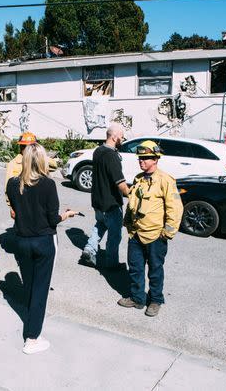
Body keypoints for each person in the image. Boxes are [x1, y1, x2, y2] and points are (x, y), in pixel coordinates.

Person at [6, 143, 77, 354]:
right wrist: (67, 215)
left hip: (22, 241)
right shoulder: (48, 185)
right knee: (40, 290)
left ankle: (30, 322)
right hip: (44, 240)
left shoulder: (12, 183)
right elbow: (52, 219)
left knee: (29, 285)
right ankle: (32, 337)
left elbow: (16, 209)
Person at [119, 140, 183, 317]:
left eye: (146, 158)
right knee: (135, 268)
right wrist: (129, 226)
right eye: (140, 158)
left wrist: (167, 233)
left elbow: (175, 208)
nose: (142, 161)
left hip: (156, 235)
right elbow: (133, 203)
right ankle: (137, 298)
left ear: (156, 159)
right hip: (136, 233)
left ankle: (155, 300)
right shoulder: (139, 179)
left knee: (155, 270)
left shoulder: (165, 180)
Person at [82, 123, 130, 267]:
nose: (123, 139)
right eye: (122, 136)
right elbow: (120, 182)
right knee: (115, 235)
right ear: (114, 137)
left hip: (98, 201)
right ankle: (112, 263)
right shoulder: (112, 156)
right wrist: (132, 194)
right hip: (111, 203)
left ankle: (89, 249)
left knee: (100, 225)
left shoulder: (98, 151)